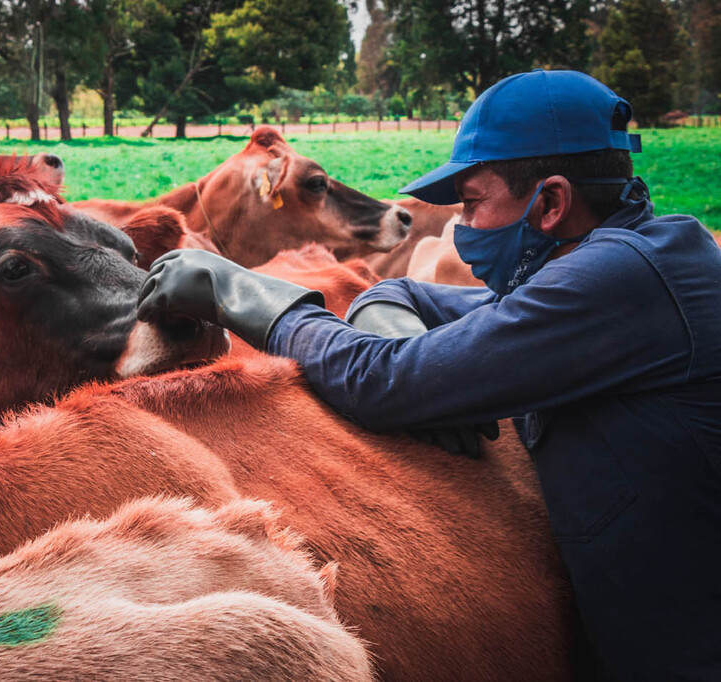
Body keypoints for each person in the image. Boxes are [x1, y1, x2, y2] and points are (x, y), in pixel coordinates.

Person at [136, 69, 721, 679]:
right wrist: (403, 330)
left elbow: (384, 383)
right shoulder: (628, 258)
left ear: (549, 203)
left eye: (471, 202)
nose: (460, 229)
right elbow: (416, 296)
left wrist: (241, 291)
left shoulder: (621, 279)